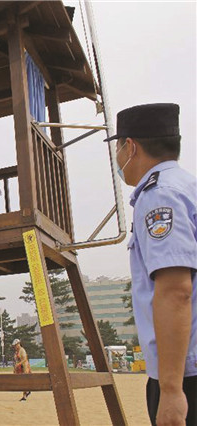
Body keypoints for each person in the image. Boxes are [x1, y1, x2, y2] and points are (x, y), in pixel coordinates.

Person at [106, 103, 196, 426]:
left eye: (118, 147)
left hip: (185, 377)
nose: (117, 158)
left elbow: (175, 291)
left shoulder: (159, 196)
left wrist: (171, 389)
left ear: (130, 147)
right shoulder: (187, 187)